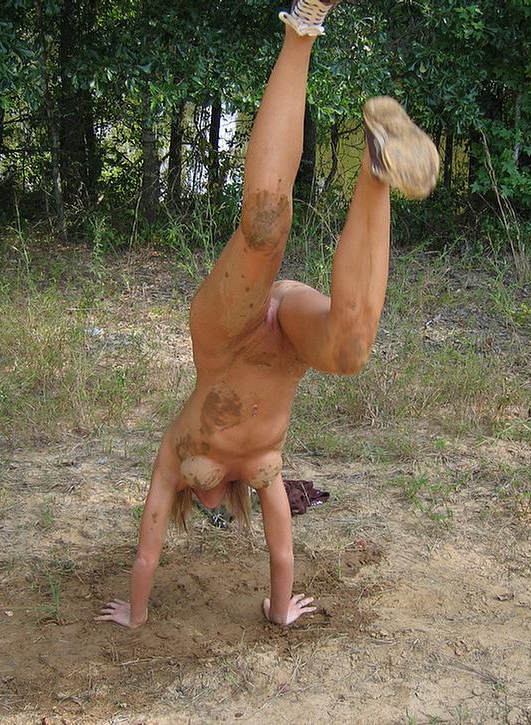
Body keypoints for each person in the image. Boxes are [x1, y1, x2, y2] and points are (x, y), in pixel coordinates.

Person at [96, 0, 438, 629]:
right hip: (286, 342)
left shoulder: (176, 456)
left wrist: (136, 614)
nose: (208, 507)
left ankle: (304, 23)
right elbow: (282, 553)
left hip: (225, 337)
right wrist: (280, 614)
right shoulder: (264, 472)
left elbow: (146, 553)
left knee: (263, 228)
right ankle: (377, 170)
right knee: (351, 350)